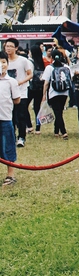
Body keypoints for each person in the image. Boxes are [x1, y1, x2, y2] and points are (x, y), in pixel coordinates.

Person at [4, 38, 33, 148]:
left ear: (16, 48)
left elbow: (30, 74)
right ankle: (11, 137)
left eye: (11, 46)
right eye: (7, 46)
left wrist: (21, 82)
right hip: (7, 94)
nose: (9, 48)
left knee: (21, 115)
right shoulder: (3, 61)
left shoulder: (23, 60)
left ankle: (21, 138)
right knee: (9, 116)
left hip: (21, 92)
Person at [0, 50, 21, 188]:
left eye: (3, 62)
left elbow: (17, 100)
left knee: (7, 145)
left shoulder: (11, 81)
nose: (1, 65)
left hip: (5, 118)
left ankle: (10, 174)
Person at [42, 51, 73, 137]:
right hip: (64, 93)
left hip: (53, 93)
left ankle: (63, 131)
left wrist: (44, 94)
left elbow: (46, 83)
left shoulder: (49, 67)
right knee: (60, 111)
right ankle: (56, 131)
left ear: (51, 57)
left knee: (57, 113)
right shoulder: (66, 67)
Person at [27, 44, 46, 131]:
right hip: (40, 87)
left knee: (24, 106)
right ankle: (38, 128)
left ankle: (29, 125)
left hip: (31, 87)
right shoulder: (41, 62)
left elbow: (29, 75)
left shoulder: (30, 62)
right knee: (37, 107)